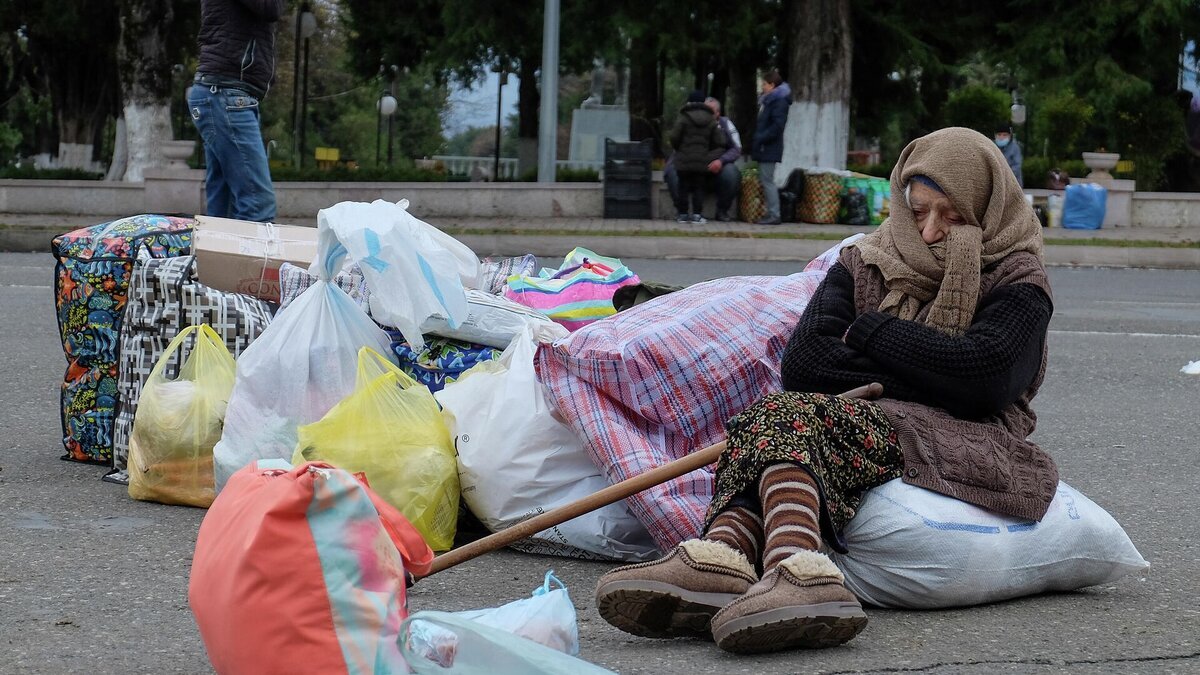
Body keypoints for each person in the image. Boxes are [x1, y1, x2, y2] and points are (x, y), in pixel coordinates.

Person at [595, 127, 1056, 654]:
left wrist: (871, 332)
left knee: (794, 418)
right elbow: (806, 363)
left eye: (950, 215)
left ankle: (790, 567)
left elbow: (984, 379)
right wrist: (930, 367)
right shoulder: (867, 260)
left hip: (970, 438)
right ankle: (728, 557)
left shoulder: (1017, 274)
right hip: (865, 421)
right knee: (783, 410)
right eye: (919, 210)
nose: (928, 232)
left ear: (985, 204)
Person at [187, 0, 285, 223]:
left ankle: (218, 257)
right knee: (257, 205)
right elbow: (272, 8)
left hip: (223, 94)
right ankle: (250, 259)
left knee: (224, 211)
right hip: (225, 94)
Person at [664, 97, 742, 222]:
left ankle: (721, 211)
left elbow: (736, 148)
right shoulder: (690, 121)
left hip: (714, 167)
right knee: (673, 172)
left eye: (709, 110)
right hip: (691, 165)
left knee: (731, 174)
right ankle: (686, 213)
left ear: (717, 114)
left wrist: (720, 160)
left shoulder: (724, 124)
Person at [752, 70, 791, 224]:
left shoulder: (778, 102)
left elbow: (777, 126)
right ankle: (771, 213)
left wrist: (761, 138)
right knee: (766, 179)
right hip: (766, 147)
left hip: (769, 147)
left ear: (772, 85)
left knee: (767, 180)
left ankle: (774, 214)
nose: (762, 86)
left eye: (765, 84)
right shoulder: (769, 101)